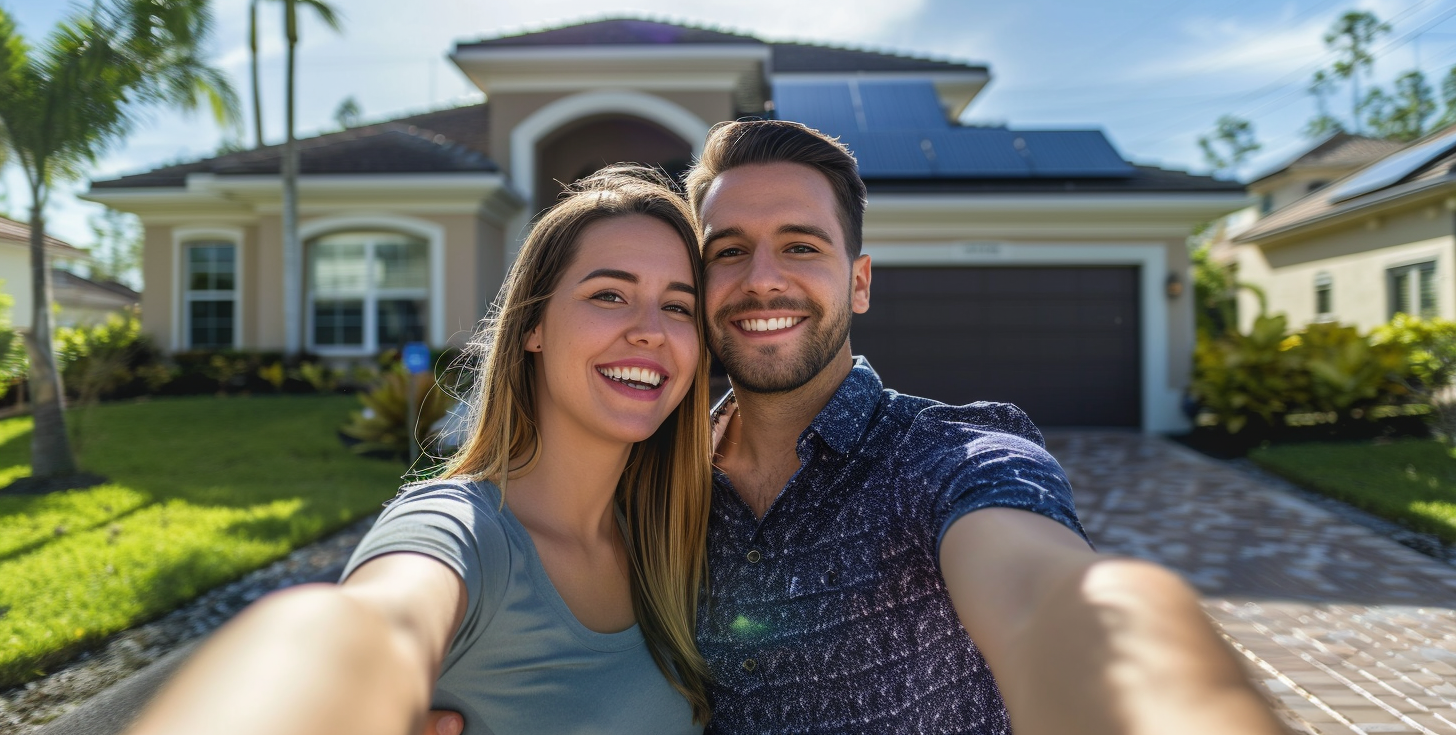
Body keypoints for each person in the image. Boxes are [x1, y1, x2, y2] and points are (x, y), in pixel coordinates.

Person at [405, 120, 1284, 735]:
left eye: (801, 246)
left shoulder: (947, 462)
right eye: (727, 252)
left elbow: (1050, 602)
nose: (762, 280)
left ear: (858, 282)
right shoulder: (648, 488)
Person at [127, 167, 716, 735]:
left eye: (678, 306)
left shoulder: (666, 539)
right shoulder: (461, 529)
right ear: (533, 325)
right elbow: (364, 630)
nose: (650, 330)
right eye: (610, 295)